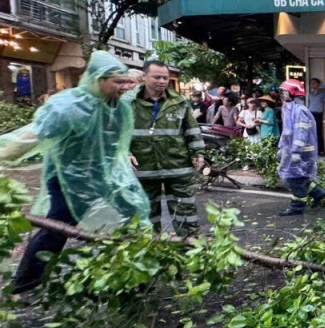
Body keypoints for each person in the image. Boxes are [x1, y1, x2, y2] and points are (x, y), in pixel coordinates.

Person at [1, 51, 150, 293]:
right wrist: (4, 157)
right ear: (98, 79)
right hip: (66, 180)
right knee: (56, 228)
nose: (123, 87)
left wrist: (136, 78)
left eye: (124, 82)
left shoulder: (115, 105)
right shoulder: (69, 107)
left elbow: (131, 85)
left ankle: (133, 276)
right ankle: (25, 282)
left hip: (103, 176)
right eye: (117, 82)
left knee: (129, 217)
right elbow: (32, 137)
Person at [129, 60, 205, 237]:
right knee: (146, 214)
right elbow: (118, 132)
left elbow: (192, 130)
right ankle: (150, 249)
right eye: (157, 77)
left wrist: (198, 153)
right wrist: (124, 152)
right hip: (144, 168)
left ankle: (189, 248)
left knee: (185, 210)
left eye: (165, 77)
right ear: (144, 76)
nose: (162, 81)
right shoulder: (130, 103)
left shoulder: (179, 102)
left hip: (178, 166)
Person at [277, 86, 325, 216]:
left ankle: (297, 207)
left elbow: (301, 133)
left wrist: (296, 151)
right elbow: (287, 132)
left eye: (285, 91)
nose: (283, 93)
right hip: (293, 150)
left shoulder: (299, 110)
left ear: (293, 93)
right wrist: (282, 148)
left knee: (295, 179)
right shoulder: (290, 109)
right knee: (300, 177)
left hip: (301, 152)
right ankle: (317, 192)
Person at [307, 78, 325, 156]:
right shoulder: (310, 94)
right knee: (310, 132)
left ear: (318, 84)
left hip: (318, 114)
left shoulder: (323, 94)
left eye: (314, 83)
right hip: (310, 114)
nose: (312, 84)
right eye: (311, 83)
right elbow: (308, 104)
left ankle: (321, 150)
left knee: (319, 132)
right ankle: (312, 150)